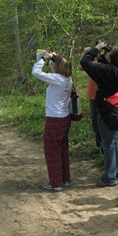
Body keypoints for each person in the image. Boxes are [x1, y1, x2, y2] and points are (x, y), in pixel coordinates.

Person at [80, 42, 118, 187]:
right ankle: (117, 171)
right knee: (114, 141)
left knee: (108, 144)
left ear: (111, 57)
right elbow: (100, 63)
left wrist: (96, 49)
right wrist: (99, 52)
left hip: (107, 111)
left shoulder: (106, 70)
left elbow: (84, 62)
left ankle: (109, 177)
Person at [32, 52, 73, 192]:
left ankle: (55, 183)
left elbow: (35, 72)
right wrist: (55, 58)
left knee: (51, 150)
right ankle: (65, 178)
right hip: (65, 117)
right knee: (62, 149)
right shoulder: (68, 79)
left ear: (57, 67)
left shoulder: (57, 78)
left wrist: (44, 59)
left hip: (54, 118)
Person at [80, 47, 103, 154]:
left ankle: (103, 146)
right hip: (92, 96)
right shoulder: (91, 64)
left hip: (100, 96)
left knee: (101, 122)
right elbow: (81, 66)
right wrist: (85, 53)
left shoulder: (100, 64)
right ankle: (100, 145)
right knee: (95, 122)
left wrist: (94, 51)